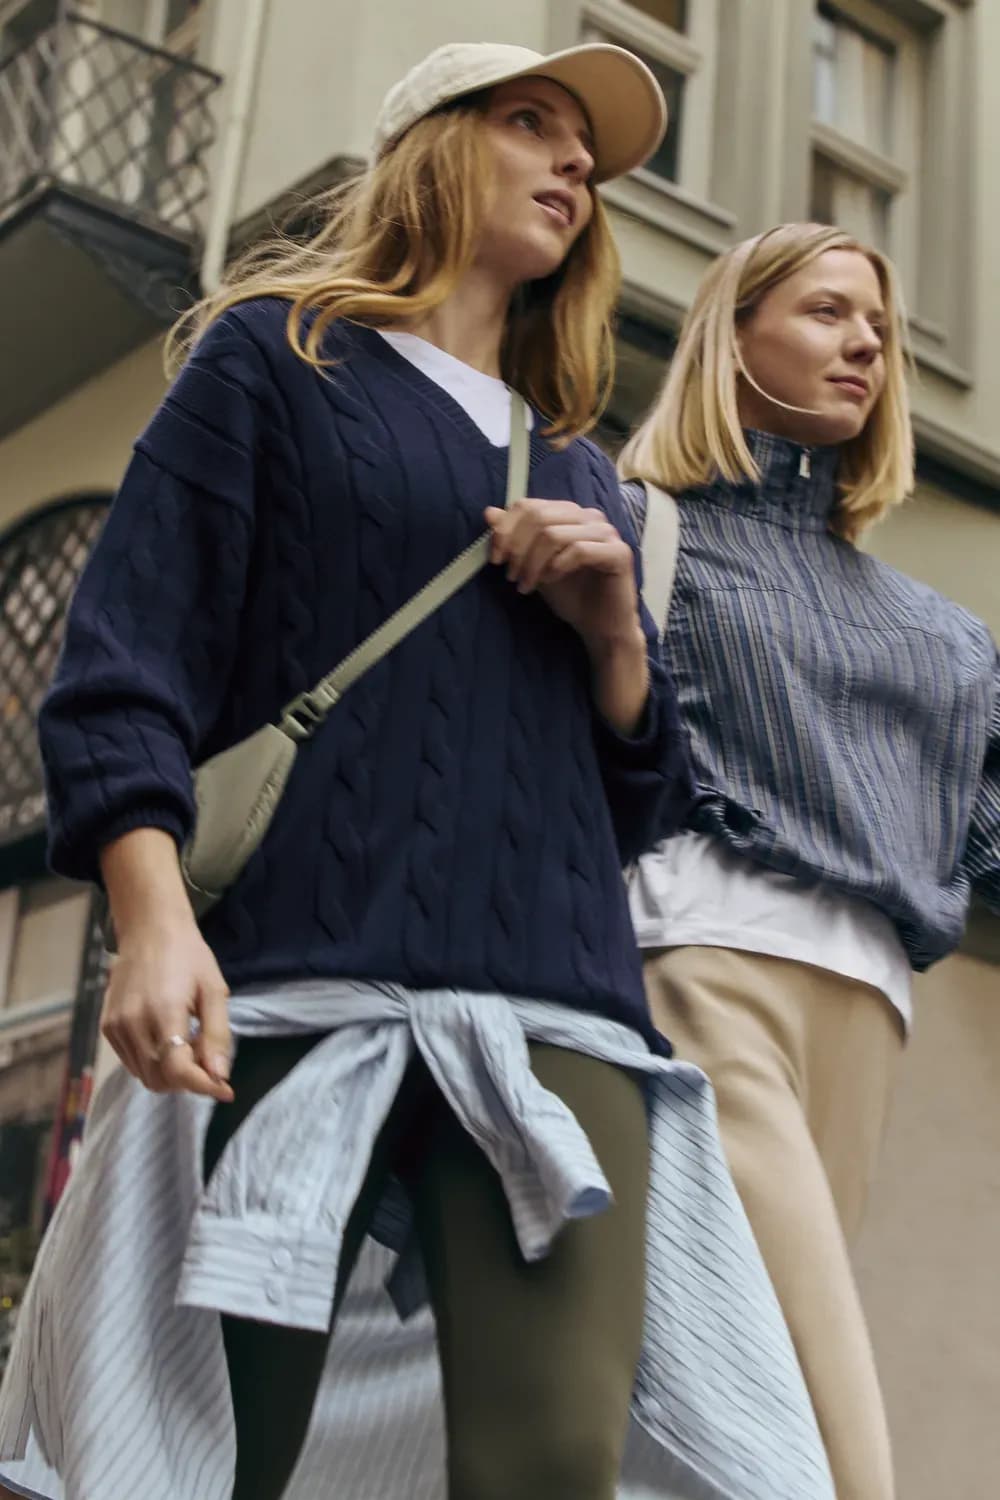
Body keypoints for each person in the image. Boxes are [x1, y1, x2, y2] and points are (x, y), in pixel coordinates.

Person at [0, 46, 835, 1500]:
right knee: (220, 1458)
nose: (574, 165)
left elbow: (633, 806)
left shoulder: (581, 474)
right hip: (289, 993)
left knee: (553, 1463)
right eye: (533, 125)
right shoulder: (271, 361)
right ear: (431, 150)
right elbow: (124, 667)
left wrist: (613, 640)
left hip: (556, 1009)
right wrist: (149, 916)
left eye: (589, 152)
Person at [619, 221, 1000, 1500]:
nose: (865, 348)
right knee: (827, 1443)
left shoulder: (941, 633)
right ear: (729, 338)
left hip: (869, 1018)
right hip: (699, 971)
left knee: (723, 1398)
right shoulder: (635, 530)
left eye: (880, 331)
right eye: (829, 312)